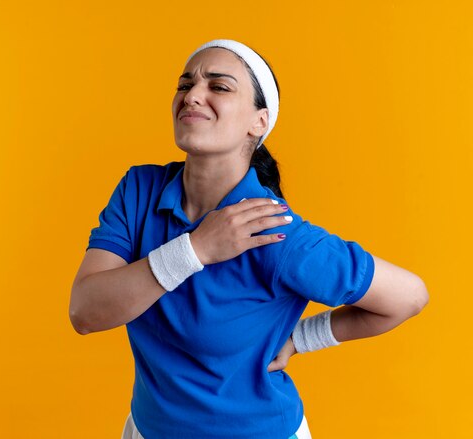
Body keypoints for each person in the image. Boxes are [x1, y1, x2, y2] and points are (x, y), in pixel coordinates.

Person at [69, 39, 429, 439]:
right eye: (185, 84)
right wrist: (196, 249)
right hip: (146, 429)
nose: (192, 95)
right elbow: (86, 312)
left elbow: (410, 296)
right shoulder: (140, 189)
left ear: (259, 122)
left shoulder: (274, 232)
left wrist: (302, 338)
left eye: (218, 87)